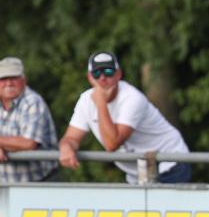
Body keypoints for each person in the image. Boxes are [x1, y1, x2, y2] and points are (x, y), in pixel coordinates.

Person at [58, 52, 191, 184]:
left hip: (170, 163)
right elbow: (71, 138)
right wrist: (66, 147)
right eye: (97, 74)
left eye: (108, 71)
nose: (103, 78)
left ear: (118, 74)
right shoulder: (85, 100)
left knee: (162, 205)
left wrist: (100, 103)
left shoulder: (132, 98)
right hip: (138, 171)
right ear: (89, 78)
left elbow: (112, 144)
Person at [0, 57, 58, 183]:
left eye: (14, 77)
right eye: (3, 79)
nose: (9, 83)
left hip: (39, 184)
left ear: (24, 80)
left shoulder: (33, 101)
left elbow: (28, 143)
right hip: (6, 187)